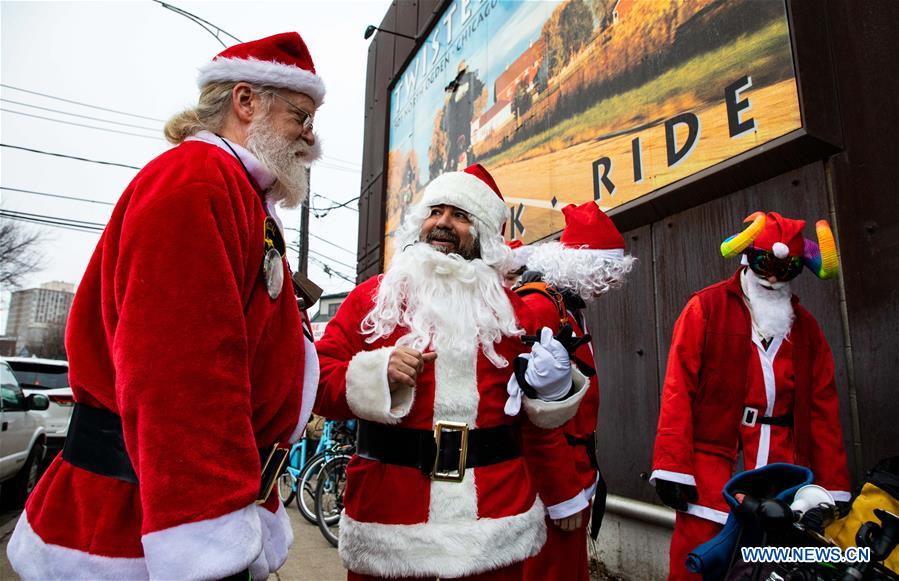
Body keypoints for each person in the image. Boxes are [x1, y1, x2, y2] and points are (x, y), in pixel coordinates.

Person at [7, 32, 324, 580]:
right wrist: (207, 537)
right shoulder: (196, 180)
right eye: (301, 115)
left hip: (167, 511)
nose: (311, 137)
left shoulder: (234, 191)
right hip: (145, 525)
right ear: (245, 101)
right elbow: (183, 375)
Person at [314, 164, 591, 580]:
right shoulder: (371, 300)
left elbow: (536, 422)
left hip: (493, 522)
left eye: (459, 215)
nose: (443, 223)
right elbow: (316, 381)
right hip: (391, 520)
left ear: (480, 234)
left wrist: (553, 393)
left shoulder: (512, 312)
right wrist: (376, 373)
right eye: (435, 211)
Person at [650, 211, 852, 580]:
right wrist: (672, 467)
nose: (773, 276)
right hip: (712, 470)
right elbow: (678, 388)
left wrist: (832, 487)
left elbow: (823, 410)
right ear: (747, 258)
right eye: (764, 263)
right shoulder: (706, 308)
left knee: (769, 568)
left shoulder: (807, 330)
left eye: (786, 269)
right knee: (698, 564)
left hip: (781, 477)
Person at [518, 201, 635, 581]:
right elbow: (533, 413)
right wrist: (562, 492)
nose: (608, 285)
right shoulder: (541, 307)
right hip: (551, 485)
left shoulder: (567, 307)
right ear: (578, 265)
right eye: (603, 272)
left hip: (574, 474)